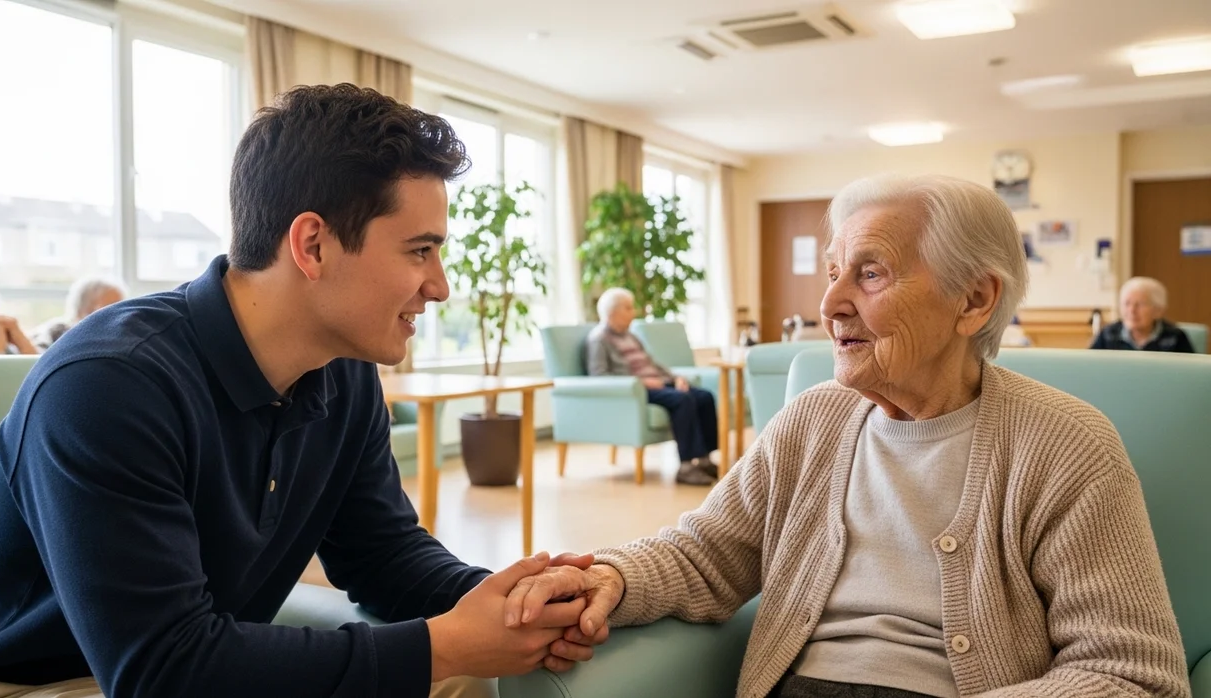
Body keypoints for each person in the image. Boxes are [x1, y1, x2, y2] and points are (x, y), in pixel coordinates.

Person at [0, 85, 608, 698]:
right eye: (419, 250)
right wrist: (445, 643)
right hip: (25, 684)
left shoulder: (343, 375)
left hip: (179, 658)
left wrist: (512, 601)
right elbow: (161, 671)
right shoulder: (107, 387)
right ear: (312, 245)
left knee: (462, 681)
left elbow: (383, 556)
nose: (440, 286)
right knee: (443, 663)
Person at [506, 175, 1191, 698]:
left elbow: (1130, 673)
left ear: (974, 300)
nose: (829, 305)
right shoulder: (813, 419)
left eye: (870, 273)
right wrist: (610, 578)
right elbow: (706, 554)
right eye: (833, 272)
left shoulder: (1067, 445)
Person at [586, 288, 720, 486]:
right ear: (612, 312)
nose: (634, 312)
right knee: (683, 400)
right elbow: (599, 375)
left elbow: (652, 364)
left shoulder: (630, 336)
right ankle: (685, 467)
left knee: (705, 397)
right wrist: (641, 382)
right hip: (638, 390)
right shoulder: (599, 339)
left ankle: (704, 459)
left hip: (659, 382)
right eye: (628, 308)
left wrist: (675, 378)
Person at [1090, 277, 1194, 352]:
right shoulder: (1108, 334)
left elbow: (1191, 374)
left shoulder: (1175, 337)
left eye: (1140, 304)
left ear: (1158, 310)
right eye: (1127, 304)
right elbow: (1090, 368)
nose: (1131, 310)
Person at [29, 276, 128, 351]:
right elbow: (35, 367)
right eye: (109, 306)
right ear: (84, 307)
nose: (117, 313)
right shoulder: (55, 331)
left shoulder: (120, 339)